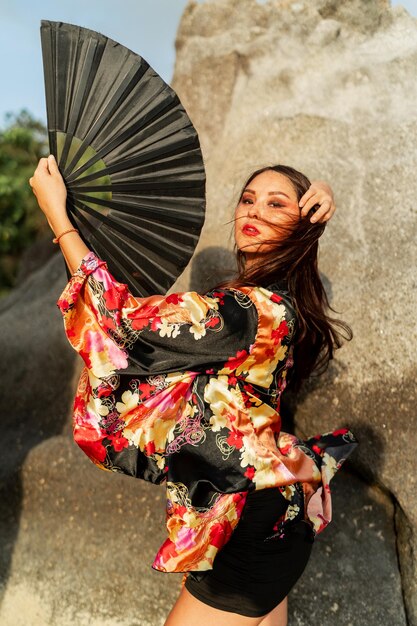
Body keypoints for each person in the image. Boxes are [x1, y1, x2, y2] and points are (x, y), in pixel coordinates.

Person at [29, 155, 357, 626]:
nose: (254, 211)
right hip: (273, 511)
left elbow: (121, 323)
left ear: (302, 223)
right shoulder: (275, 302)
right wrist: (319, 195)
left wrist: (59, 217)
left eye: (276, 204)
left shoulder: (247, 311)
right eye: (248, 200)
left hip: (247, 517)